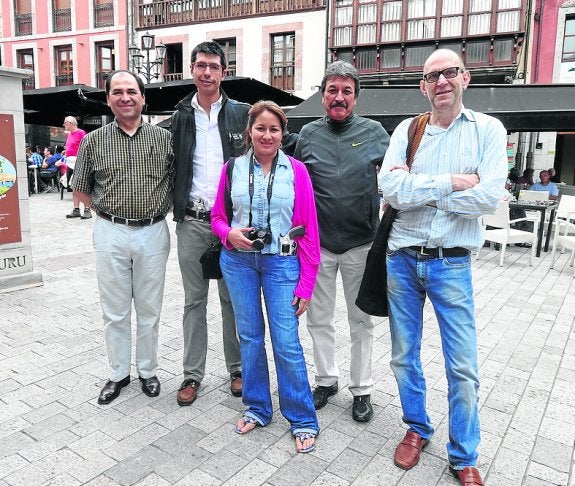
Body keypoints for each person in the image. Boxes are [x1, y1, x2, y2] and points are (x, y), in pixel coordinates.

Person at [378, 49, 507, 486]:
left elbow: (489, 197)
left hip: (451, 262)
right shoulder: (408, 130)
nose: (442, 82)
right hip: (401, 259)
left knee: (463, 365)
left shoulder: (488, 131)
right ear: (423, 86)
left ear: (465, 78)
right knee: (402, 356)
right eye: (433, 76)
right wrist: (451, 183)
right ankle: (417, 427)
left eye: (450, 73)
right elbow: (391, 189)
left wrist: (421, 191)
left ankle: (464, 454)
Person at [211, 100, 321, 453]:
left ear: (282, 134)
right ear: (250, 132)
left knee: (287, 342)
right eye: (261, 128)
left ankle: (302, 418)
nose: (267, 135)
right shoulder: (232, 169)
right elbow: (217, 217)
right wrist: (228, 233)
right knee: (250, 338)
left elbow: (310, 230)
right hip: (239, 262)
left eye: (274, 129)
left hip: (282, 265)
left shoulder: (297, 171)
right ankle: (258, 407)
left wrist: (307, 283)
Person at [294, 60, 389, 422]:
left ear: (355, 97)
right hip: (317, 246)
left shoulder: (376, 132)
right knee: (318, 318)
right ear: (322, 96)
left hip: (361, 243)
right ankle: (326, 379)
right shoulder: (308, 136)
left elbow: (399, 173)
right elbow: (296, 186)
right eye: (332, 90)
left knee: (361, 320)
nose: (338, 97)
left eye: (346, 91)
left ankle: (362, 388)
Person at [71, 70, 174, 405]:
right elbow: (81, 189)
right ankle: (118, 374)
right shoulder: (92, 141)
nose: (125, 97)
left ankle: (148, 370)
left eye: (132, 91)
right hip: (110, 231)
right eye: (118, 92)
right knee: (114, 311)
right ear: (108, 99)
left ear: (143, 98)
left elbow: (175, 184)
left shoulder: (165, 140)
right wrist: (106, 217)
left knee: (149, 308)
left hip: (154, 231)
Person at [171, 41, 246, 406]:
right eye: (200, 65)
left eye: (213, 66)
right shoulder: (178, 117)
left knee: (232, 299)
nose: (206, 73)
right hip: (193, 221)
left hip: (233, 224)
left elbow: (274, 143)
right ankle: (192, 374)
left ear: (223, 72)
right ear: (192, 69)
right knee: (193, 301)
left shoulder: (242, 114)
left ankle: (237, 368)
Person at [60, 116, 89, 219]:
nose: (64, 125)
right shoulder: (70, 135)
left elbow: (86, 147)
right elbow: (70, 147)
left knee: (83, 186)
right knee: (73, 185)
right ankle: (76, 209)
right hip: (70, 163)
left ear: (70, 123)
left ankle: (87, 209)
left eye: (65, 123)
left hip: (79, 163)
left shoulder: (81, 133)